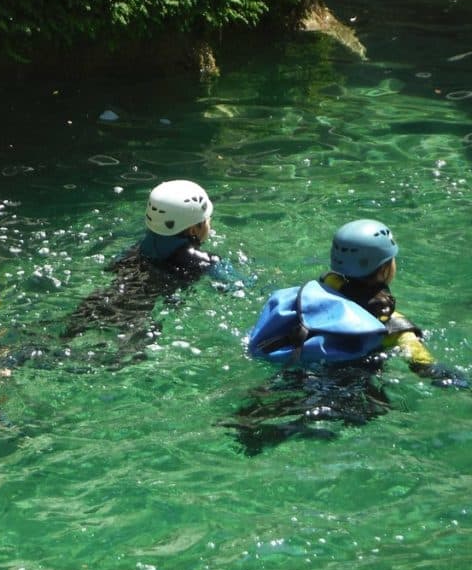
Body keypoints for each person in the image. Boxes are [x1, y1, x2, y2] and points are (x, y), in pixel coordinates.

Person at [234, 219, 466, 454]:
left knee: (289, 396)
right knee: (370, 412)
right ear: (386, 269)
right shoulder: (389, 324)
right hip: (347, 383)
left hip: (297, 365)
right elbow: (424, 365)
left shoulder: (321, 291)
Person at [64, 179, 231, 345]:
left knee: (68, 331)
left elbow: (113, 266)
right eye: (208, 219)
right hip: (140, 312)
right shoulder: (206, 262)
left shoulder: (139, 246)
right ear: (194, 229)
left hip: (104, 297)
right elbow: (237, 286)